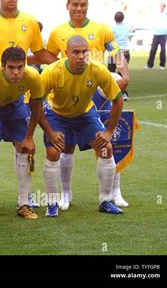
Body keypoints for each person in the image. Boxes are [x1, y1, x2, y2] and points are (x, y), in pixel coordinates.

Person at [0, 0, 57, 210]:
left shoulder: (29, 21)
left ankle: (24, 200)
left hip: (16, 97)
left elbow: (39, 52)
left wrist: (62, 64)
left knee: (23, 146)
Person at [45, 0, 129, 211]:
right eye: (75, 4)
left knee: (107, 142)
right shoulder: (57, 32)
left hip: (97, 91)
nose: (79, 8)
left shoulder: (101, 28)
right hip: (67, 93)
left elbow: (116, 52)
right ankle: (65, 195)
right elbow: (49, 57)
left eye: (83, 4)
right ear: (68, 5)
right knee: (67, 146)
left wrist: (125, 74)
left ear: (87, 5)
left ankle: (113, 194)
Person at [0, 47, 62, 222]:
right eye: (11, 67)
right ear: (3, 66)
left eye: (20, 67)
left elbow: (36, 107)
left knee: (24, 149)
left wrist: (29, 138)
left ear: (26, 65)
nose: (16, 72)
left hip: (15, 107)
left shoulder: (33, 76)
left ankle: (24, 203)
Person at [41, 35, 124, 217]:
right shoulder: (52, 71)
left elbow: (118, 99)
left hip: (85, 115)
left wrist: (109, 131)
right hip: (57, 115)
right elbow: (35, 103)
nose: (81, 56)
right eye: (76, 52)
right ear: (66, 53)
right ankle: (52, 203)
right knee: (54, 152)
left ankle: (106, 200)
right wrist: (49, 132)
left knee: (106, 149)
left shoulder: (98, 70)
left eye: (84, 52)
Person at [92, 69, 130, 207]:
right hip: (84, 90)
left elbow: (119, 55)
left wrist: (125, 77)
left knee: (111, 147)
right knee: (67, 147)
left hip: (105, 83)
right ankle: (66, 194)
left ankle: (115, 192)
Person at [108, 11, 132, 100]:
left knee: (110, 72)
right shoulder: (127, 28)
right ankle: (123, 93)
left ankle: (110, 92)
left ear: (115, 19)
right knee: (122, 74)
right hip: (125, 52)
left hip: (114, 52)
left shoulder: (112, 28)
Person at [145, 3, 167, 69]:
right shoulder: (156, 14)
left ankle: (162, 65)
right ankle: (150, 65)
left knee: (163, 49)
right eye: (160, 6)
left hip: (163, 34)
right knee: (153, 49)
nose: (161, 7)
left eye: (162, 6)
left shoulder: (166, 14)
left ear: (164, 7)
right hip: (156, 34)